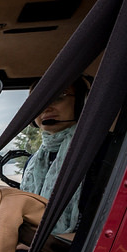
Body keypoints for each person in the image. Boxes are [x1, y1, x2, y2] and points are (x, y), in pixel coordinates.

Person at [20, 76, 90, 235]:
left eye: (58, 98)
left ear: (82, 102)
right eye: (39, 103)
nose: (46, 108)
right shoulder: (33, 162)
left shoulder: (98, 152)